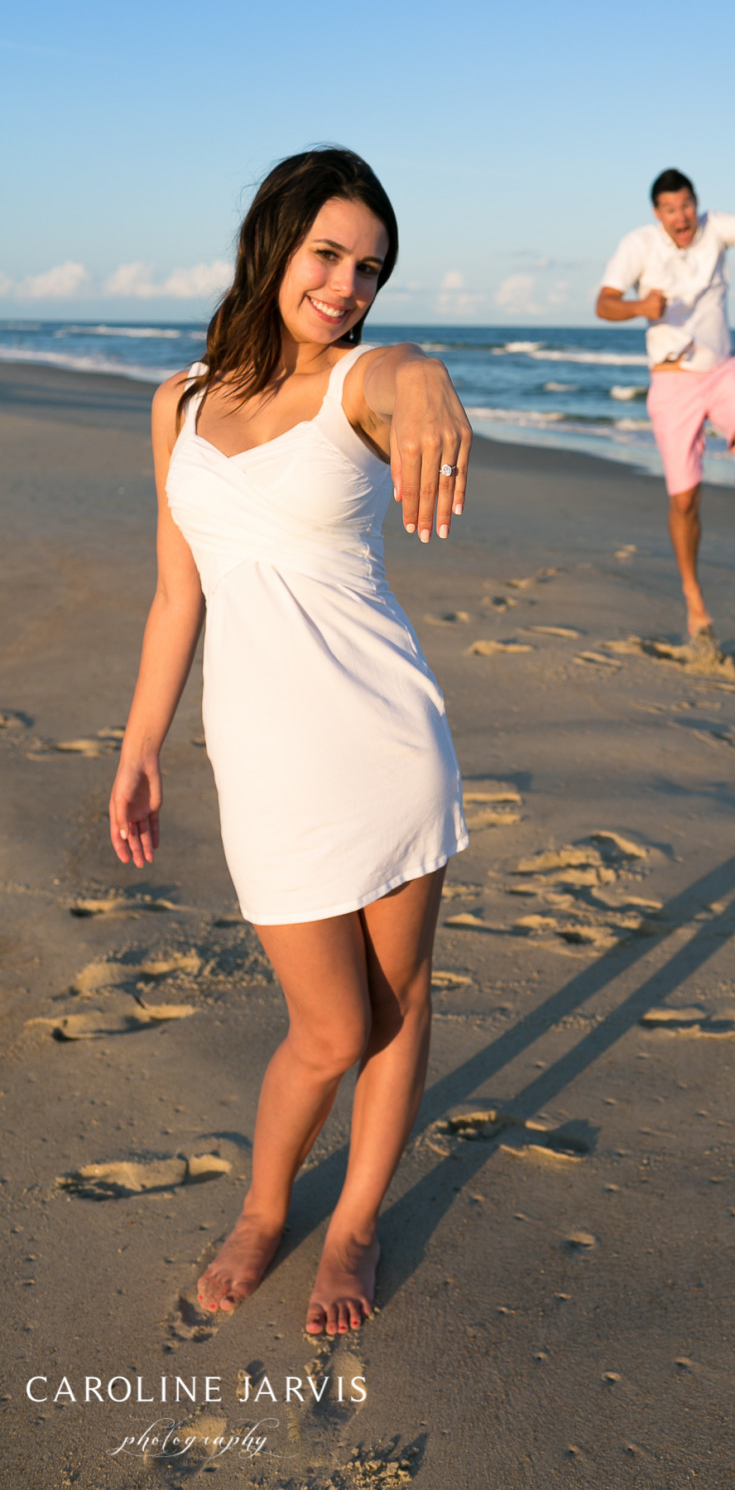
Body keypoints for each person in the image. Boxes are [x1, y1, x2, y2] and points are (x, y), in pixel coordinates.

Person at [107, 147, 472, 1336]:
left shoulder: (363, 379)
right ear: (275, 243)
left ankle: (353, 1222)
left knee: (398, 1000)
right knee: (330, 1027)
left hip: (386, 744)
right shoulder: (179, 403)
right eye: (327, 254)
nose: (345, 285)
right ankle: (267, 1208)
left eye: (369, 269)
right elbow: (178, 596)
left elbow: (402, 374)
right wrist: (141, 745)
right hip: (261, 757)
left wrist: (420, 375)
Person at [596, 160, 735, 640]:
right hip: (672, 381)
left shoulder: (715, 228)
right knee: (685, 501)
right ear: (657, 213)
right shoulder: (637, 245)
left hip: (722, 369)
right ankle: (692, 595)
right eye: (669, 209)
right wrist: (640, 306)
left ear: (696, 204)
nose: (680, 217)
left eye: (686, 206)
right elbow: (604, 303)